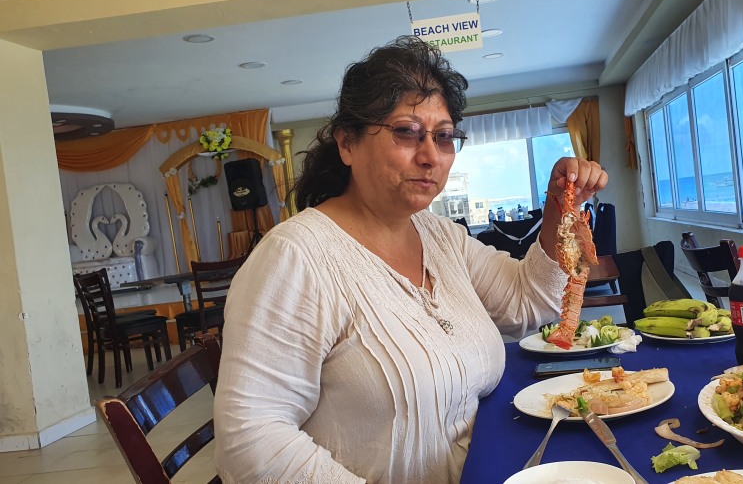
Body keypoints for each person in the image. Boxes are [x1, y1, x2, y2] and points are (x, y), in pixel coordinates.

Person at [213, 36, 608, 484]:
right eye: (406, 132)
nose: (429, 157)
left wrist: (557, 208)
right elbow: (249, 442)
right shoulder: (295, 258)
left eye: (443, 138)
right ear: (347, 143)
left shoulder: (439, 235)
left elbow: (525, 305)